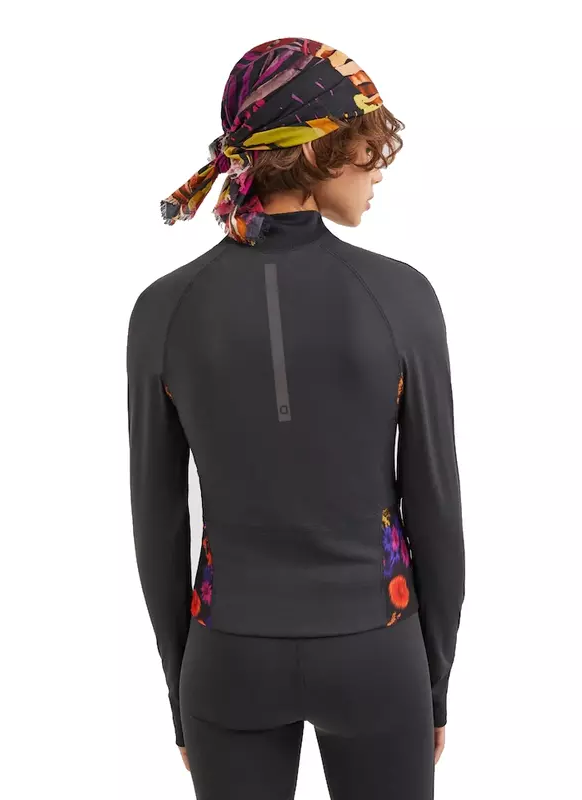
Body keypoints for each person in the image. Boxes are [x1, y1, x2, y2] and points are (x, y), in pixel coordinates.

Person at [126, 36, 466, 799]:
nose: (377, 167)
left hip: (227, 658)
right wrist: (434, 684)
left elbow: (157, 525)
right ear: (316, 150)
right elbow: (437, 514)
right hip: (377, 651)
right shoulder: (403, 298)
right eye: (365, 144)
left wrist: (182, 692)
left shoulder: (163, 311)